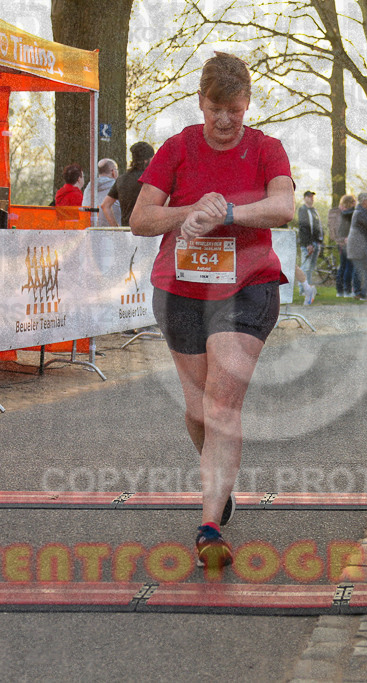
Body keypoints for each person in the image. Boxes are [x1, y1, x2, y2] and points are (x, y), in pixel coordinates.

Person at [130, 52, 294, 571]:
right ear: (201, 101)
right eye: (215, 109)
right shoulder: (177, 148)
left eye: (235, 110)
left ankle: (209, 526)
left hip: (247, 287)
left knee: (222, 405)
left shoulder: (266, 148)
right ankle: (219, 485)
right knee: (200, 411)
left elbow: (284, 207)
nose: (225, 120)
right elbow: (140, 219)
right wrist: (190, 212)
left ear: (248, 103)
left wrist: (229, 212)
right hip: (181, 290)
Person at [103, 141, 153, 226]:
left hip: (127, 230)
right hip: (147, 230)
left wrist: (116, 229)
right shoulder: (150, 179)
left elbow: (105, 206)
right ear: (146, 161)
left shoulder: (121, 179)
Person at [297, 190, 322, 294]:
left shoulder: (314, 211)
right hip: (307, 244)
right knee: (305, 267)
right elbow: (303, 228)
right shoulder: (303, 210)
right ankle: (303, 289)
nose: (311, 199)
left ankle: (309, 288)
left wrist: (319, 241)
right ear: (305, 198)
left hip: (316, 243)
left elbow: (318, 226)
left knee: (311, 268)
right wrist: (308, 244)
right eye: (309, 197)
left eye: (312, 197)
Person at [332, 194, 357, 298]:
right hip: (348, 243)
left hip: (342, 243)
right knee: (348, 267)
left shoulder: (341, 214)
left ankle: (340, 290)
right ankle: (347, 290)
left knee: (342, 266)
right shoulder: (351, 213)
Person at [95, 158, 120, 226]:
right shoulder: (117, 187)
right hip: (113, 230)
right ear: (113, 172)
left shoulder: (89, 188)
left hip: (92, 229)